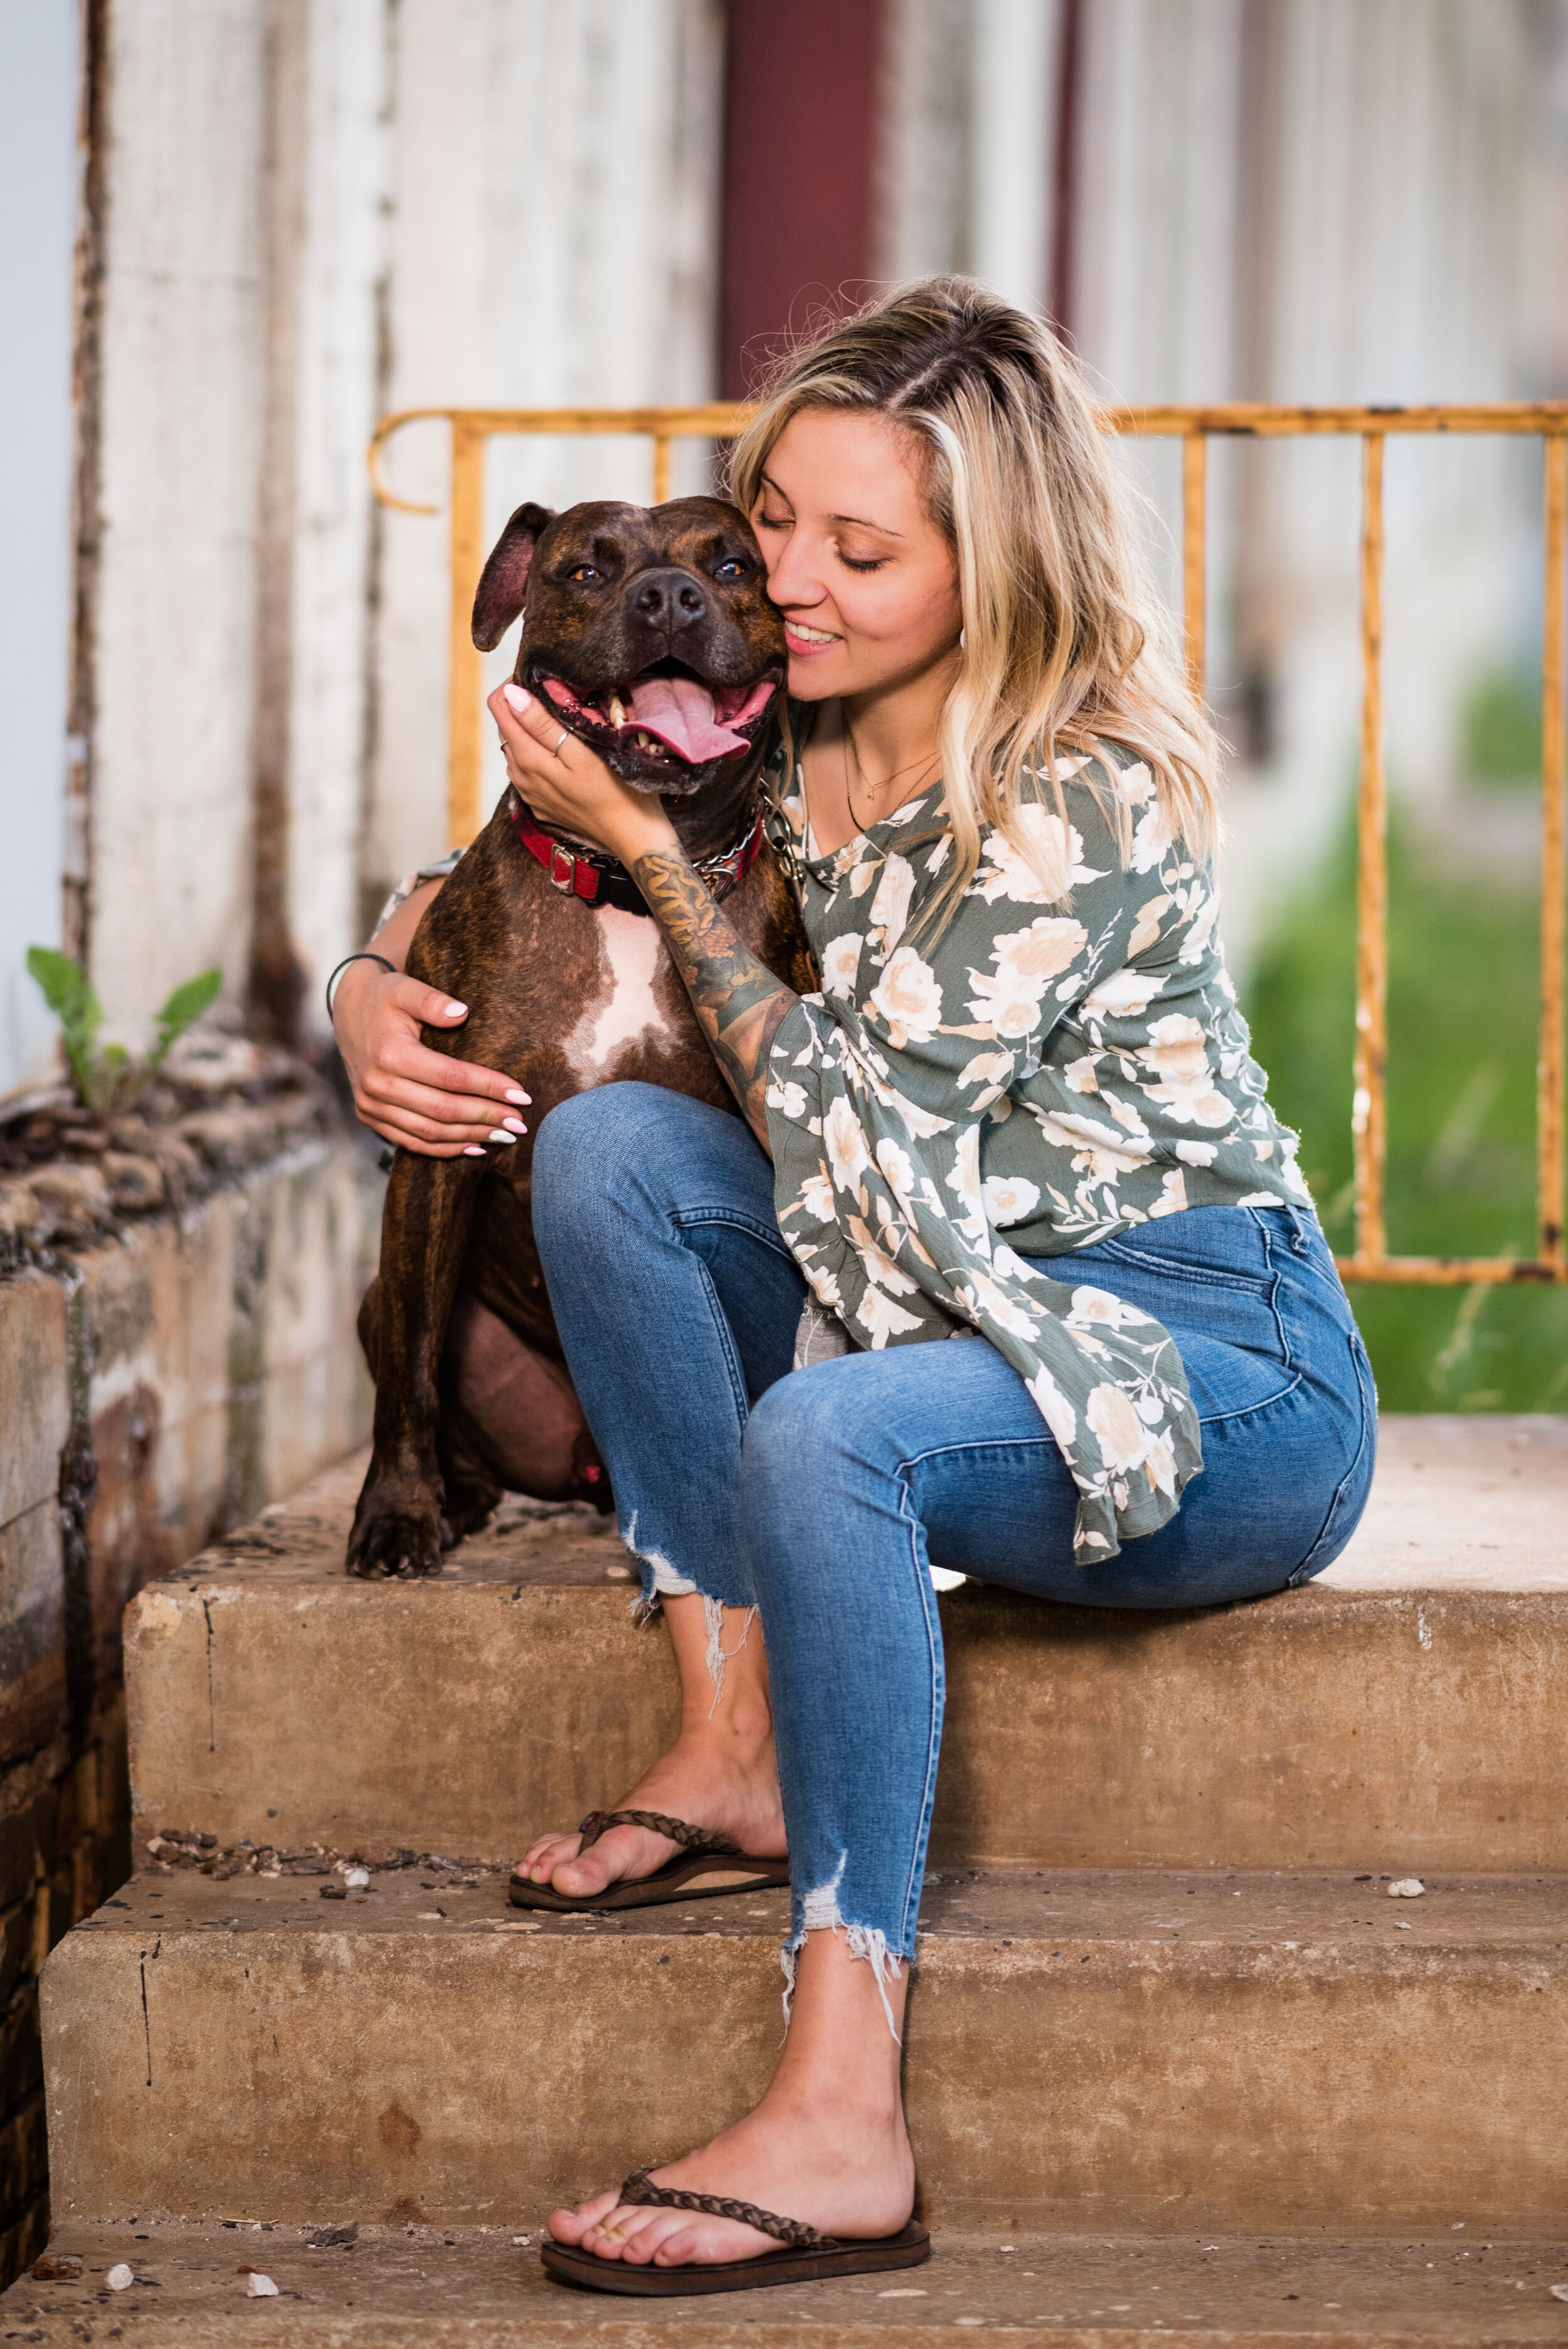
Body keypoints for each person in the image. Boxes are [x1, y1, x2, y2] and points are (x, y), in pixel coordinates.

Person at [331, 278, 1376, 2291]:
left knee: (828, 1431)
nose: (784, 581)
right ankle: (725, 1728)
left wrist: (640, 844)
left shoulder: (1075, 789)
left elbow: (861, 1153)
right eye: (771, 520)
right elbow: (491, 907)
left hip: (1195, 1361)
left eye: (855, 549)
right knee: (618, 1152)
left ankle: (840, 2102)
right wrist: (368, 983)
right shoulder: (778, 722)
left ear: (994, 571)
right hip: (971, 1315)